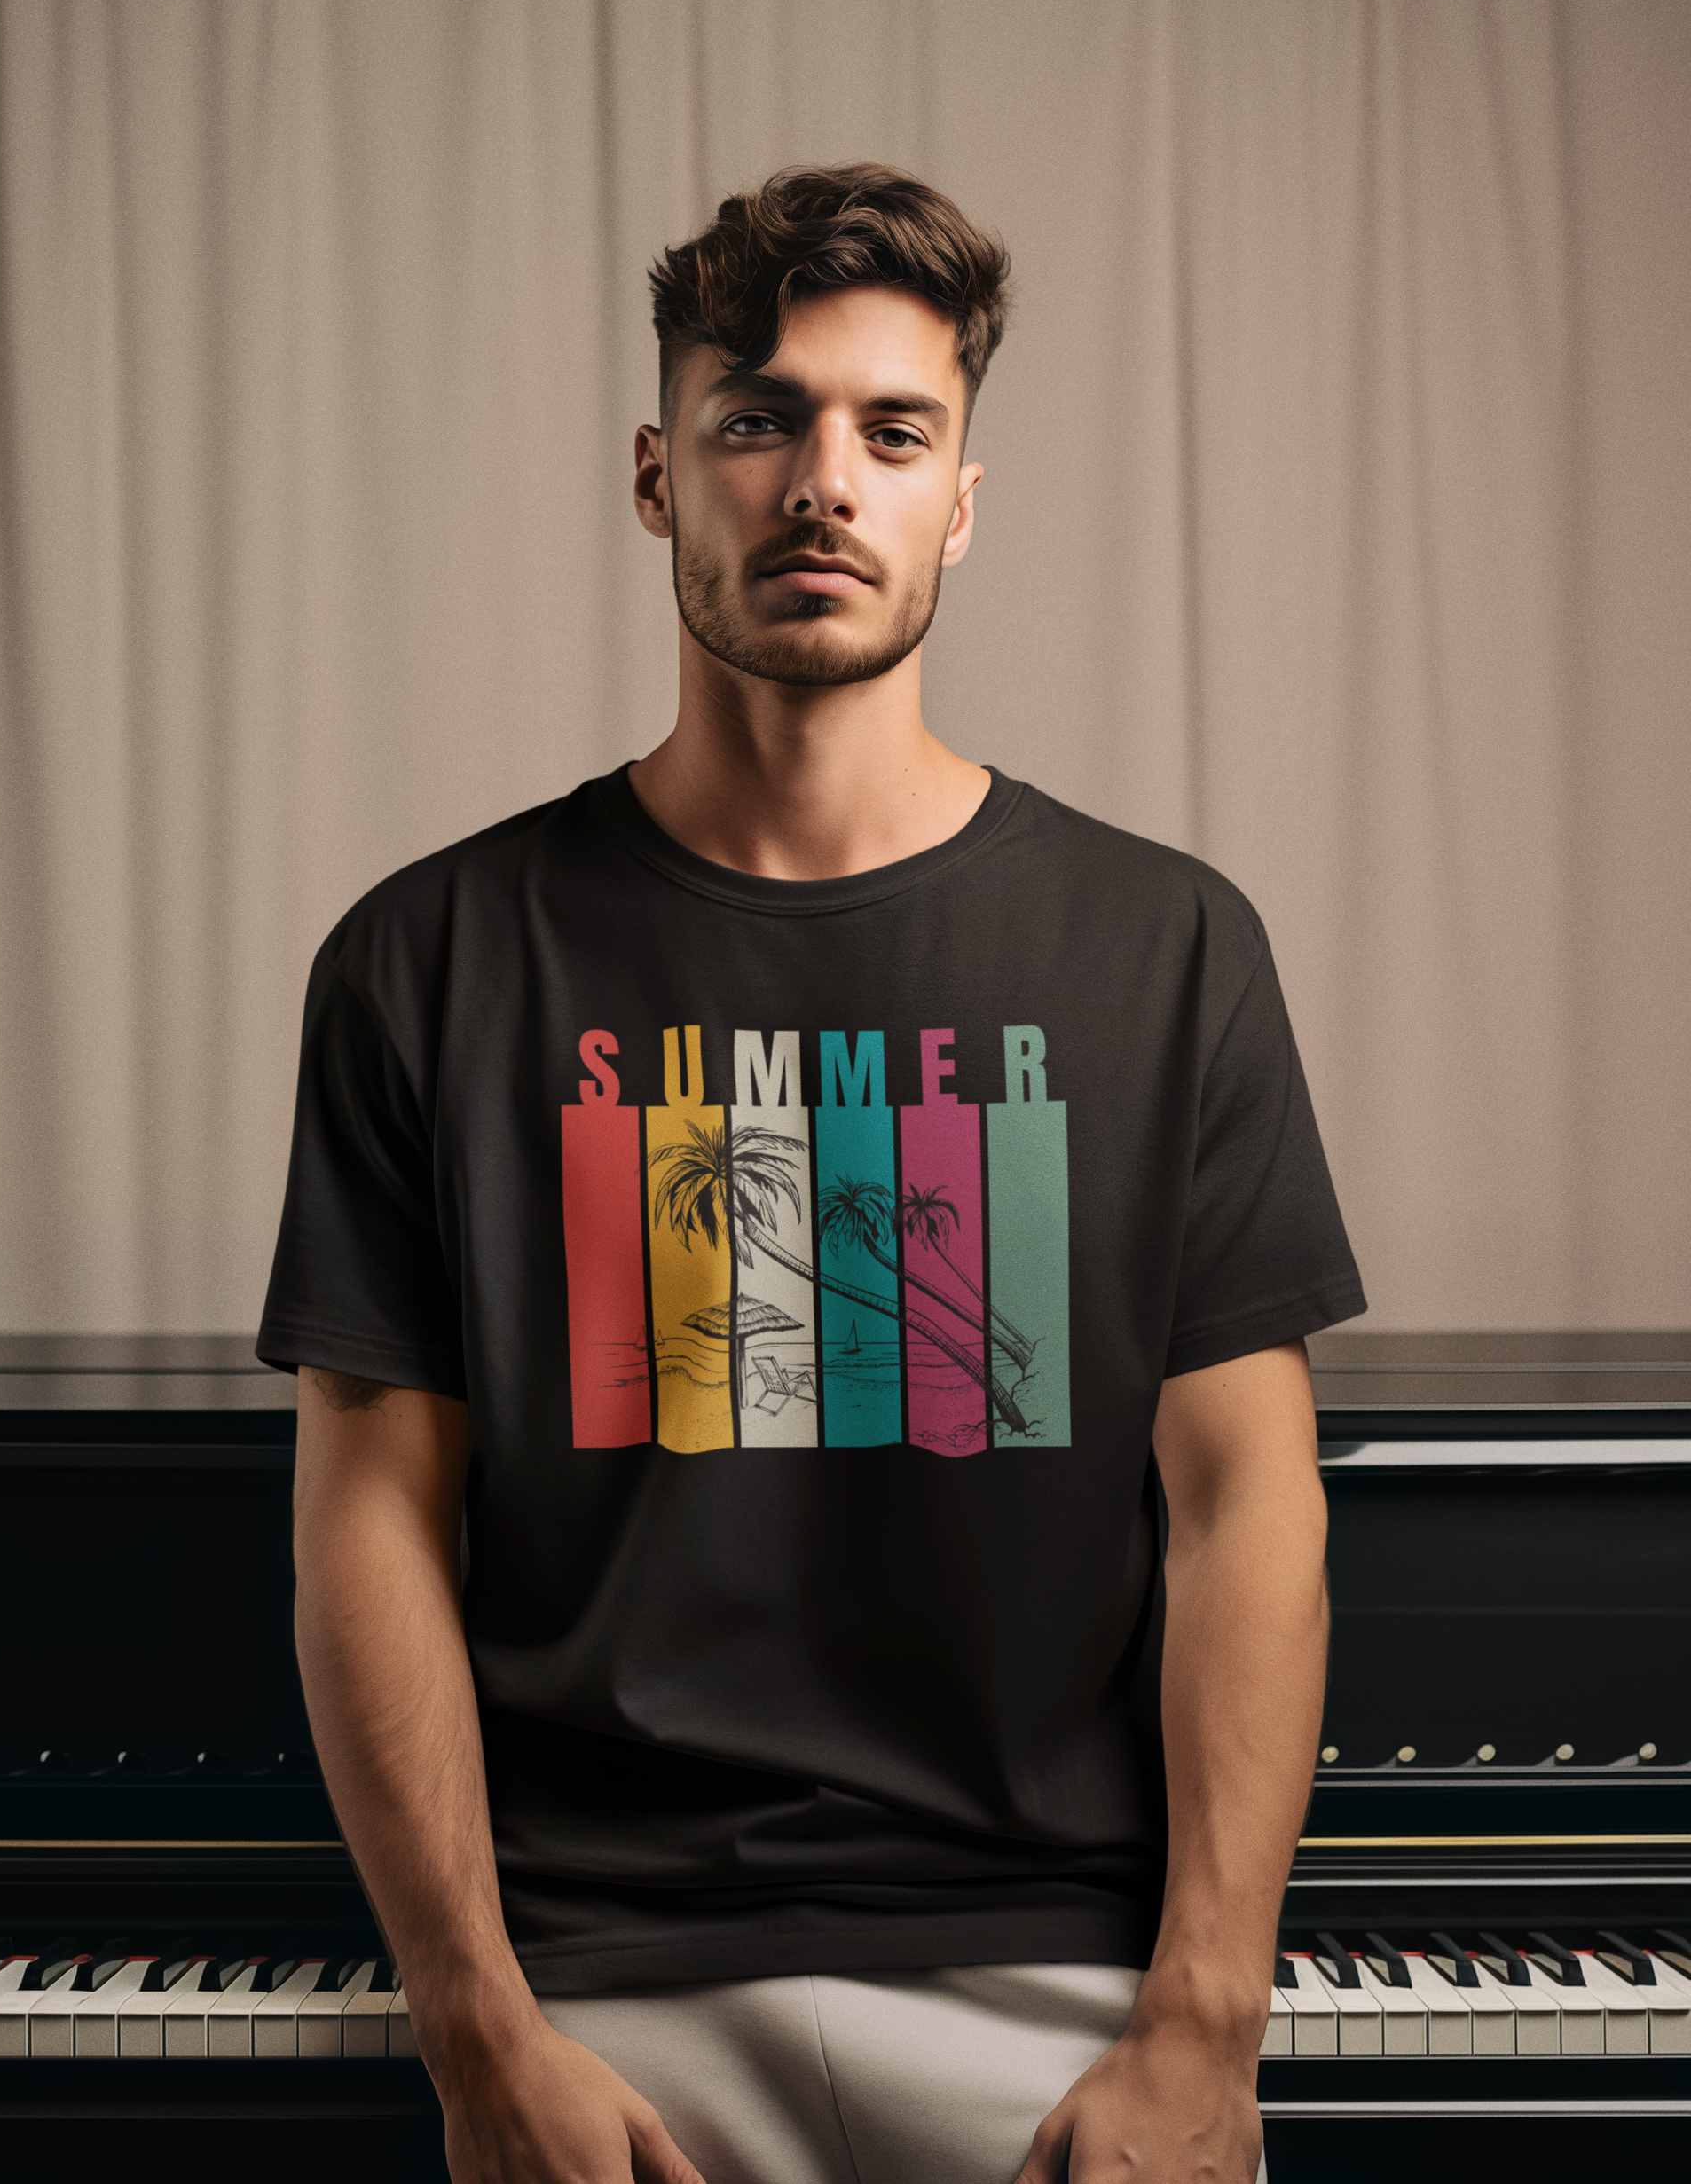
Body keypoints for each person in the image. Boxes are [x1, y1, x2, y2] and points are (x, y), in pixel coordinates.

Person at [259, 163, 1365, 2184]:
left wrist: (1205, 2019)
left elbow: (1244, 1504)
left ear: (963, 495)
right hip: (596, 1990)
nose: (821, 481)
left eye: (892, 429)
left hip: (1061, 1992)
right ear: (658, 474)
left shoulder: (1168, 947)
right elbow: (369, 1526)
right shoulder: (425, 959)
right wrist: (476, 2031)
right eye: (755, 417)